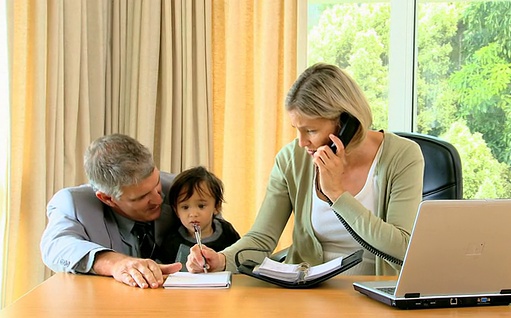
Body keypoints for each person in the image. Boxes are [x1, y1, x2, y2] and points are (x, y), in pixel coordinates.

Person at [186, 63, 425, 275]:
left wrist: (337, 195)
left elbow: (402, 248)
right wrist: (221, 259)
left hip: (376, 294)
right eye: (296, 129)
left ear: (345, 123)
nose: (302, 143)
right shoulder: (292, 159)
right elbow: (262, 237)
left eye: (310, 131)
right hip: (309, 297)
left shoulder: (402, 156)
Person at [40, 133, 182, 288]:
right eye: (141, 197)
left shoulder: (180, 188)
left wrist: (212, 255)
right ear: (107, 198)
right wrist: (115, 263)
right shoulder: (74, 203)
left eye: (156, 184)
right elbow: (55, 247)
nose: (158, 199)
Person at [158, 166, 240, 271]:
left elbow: (239, 261)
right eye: (185, 207)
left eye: (201, 206)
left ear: (217, 206)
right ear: (176, 210)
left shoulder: (227, 232)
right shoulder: (173, 239)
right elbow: (163, 270)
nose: (193, 214)